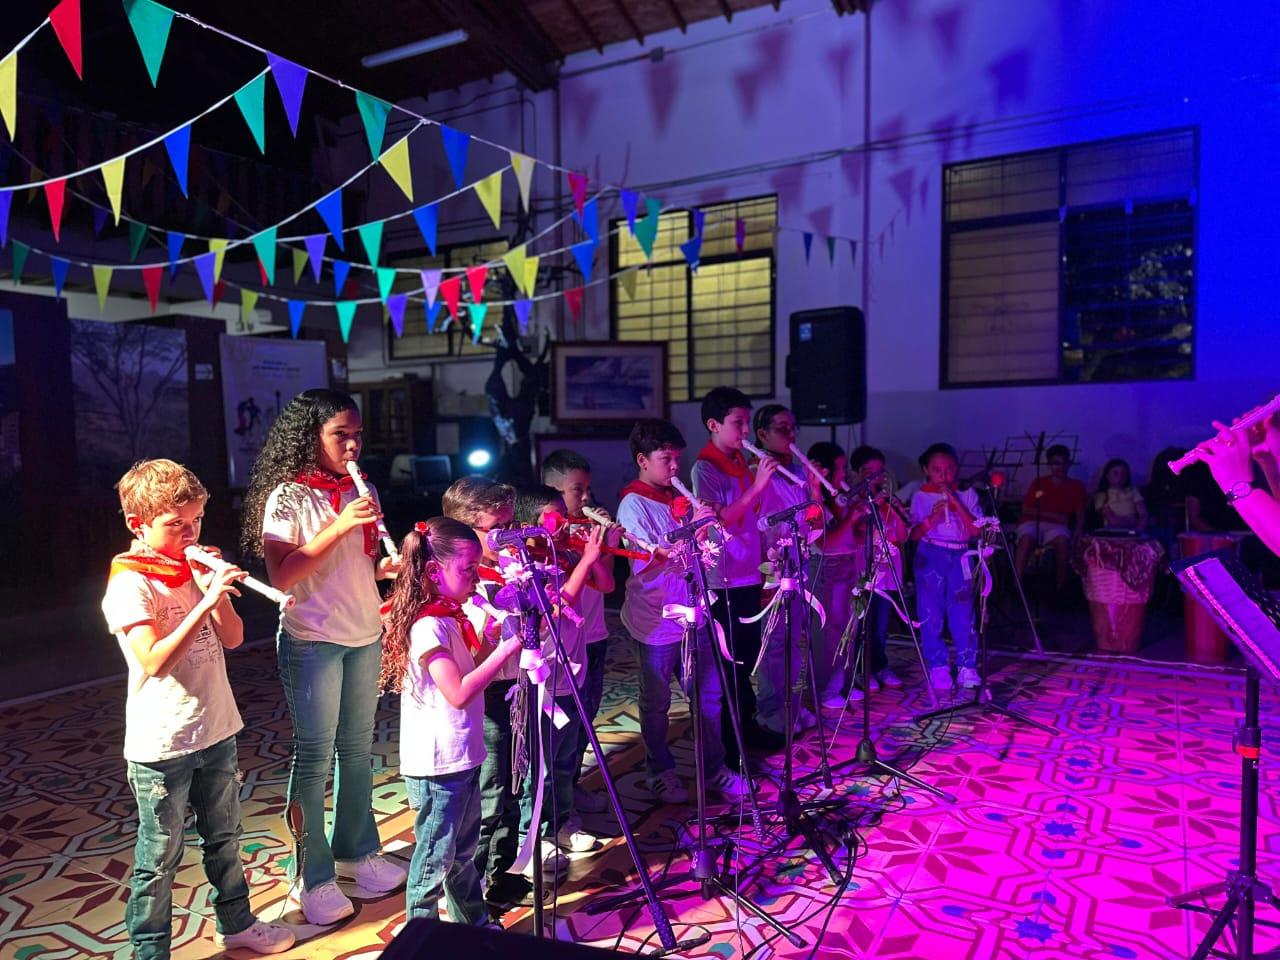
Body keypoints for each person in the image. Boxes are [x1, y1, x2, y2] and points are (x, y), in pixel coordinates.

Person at [104, 459, 295, 958]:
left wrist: (218, 595)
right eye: (176, 524)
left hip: (216, 727)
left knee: (226, 839)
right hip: (162, 741)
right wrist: (202, 600)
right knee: (159, 857)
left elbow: (232, 639)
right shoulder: (131, 582)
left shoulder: (190, 570)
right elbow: (153, 660)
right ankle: (151, 951)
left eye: (196, 521)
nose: (190, 533)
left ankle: (237, 924)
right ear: (137, 525)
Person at [241, 388, 405, 925]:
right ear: (310, 437)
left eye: (357, 434)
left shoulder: (362, 488)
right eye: (341, 434)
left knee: (357, 751)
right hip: (312, 637)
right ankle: (309, 876)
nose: (353, 444)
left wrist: (390, 567)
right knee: (314, 758)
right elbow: (284, 574)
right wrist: (339, 525)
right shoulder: (288, 497)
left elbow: (356, 568)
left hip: (362, 632)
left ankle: (357, 852)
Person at [379, 517, 522, 926]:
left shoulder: (450, 617)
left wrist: (492, 641)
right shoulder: (427, 625)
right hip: (439, 763)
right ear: (432, 572)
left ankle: (472, 925)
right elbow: (457, 692)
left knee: (463, 854)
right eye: (469, 569)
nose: (478, 578)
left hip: (462, 754)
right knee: (434, 859)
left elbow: (465, 675)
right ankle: (421, 937)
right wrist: (510, 646)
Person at [617, 419, 751, 803]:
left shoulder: (678, 497)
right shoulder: (632, 503)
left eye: (677, 459)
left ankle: (714, 769)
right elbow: (645, 561)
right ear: (643, 460)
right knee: (657, 701)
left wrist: (708, 526)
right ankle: (660, 769)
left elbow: (702, 550)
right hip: (656, 619)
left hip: (697, 612)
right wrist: (691, 527)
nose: (675, 468)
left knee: (709, 696)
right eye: (666, 460)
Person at [438, 478, 531, 910]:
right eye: (499, 527)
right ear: (467, 530)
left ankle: (505, 872)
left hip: (518, 686)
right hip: (486, 695)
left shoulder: (512, 566)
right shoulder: (460, 587)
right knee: (490, 792)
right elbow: (468, 655)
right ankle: (469, 890)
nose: (508, 535)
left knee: (515, 782)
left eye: (512, 524)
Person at [511, 485, 607, 856]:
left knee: (568, 757)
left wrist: (588, 554)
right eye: (552, 517)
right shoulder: (524, 565)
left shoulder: (564, 553)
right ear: (527, 524)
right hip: (544, 681)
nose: (562, 522)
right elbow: (551, 611)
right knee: (543, 764)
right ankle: (533, 834)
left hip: (573, 671)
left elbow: (608, 584)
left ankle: (562, 821)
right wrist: (585, 562)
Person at [691, 387, 785, 767]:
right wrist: (760, 484)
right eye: (737, 423)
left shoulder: (742, 463)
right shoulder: (705, 468)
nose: (745, 430)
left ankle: (747, 729)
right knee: (728, 666)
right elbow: (719, 519)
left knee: (747, 658)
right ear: (714, 425)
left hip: (748, 573)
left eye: (747, 422)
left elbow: (753, 517)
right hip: (722, 578)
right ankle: (731, 747)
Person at [541, 449, 617, 818]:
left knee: (586, 718)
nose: (586, 498)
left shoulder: (588, 530)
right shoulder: (544, 538)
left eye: (588, 489)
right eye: (577, 490)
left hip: (595, 633)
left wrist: (605, 547)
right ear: (552, 491)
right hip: (564, 642)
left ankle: (570, 789)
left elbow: (606, 583)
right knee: (561, 728)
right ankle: (554, 807)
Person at [748, 404, 818, 734]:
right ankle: (770, 712)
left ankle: (789, 706)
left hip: (798, 560)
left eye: (793, 428)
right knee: (774, 643)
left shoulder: (799, 471)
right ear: (762, 435)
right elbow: (755, 522)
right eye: (782, 429)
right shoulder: (756, 472)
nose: (790, 436)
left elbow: (809, 517)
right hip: (770, 565)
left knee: (794, 639)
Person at [909, 443, 983, 691]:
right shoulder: (920, 495)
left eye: (949, 469)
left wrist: (956, 503)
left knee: (963, 611)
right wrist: (933, 517)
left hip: (960, 553)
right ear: (926, 470)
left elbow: (976, 529)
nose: (944, 475)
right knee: (930, 612)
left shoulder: (968, 493)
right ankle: (938, 666)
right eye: (937, 470)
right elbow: (914, 533)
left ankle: (966, 665)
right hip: (931, 553)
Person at [847, 446, 909, 694]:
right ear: (856, 474)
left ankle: (880, 665)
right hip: (863, 572)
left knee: (881, 624)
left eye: (878, 472)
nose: (874, 478)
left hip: (887, 573)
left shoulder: (888, 502)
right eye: (867, 472)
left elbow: (902, 536)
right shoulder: (854, 502)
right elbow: (856, 535)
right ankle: (861, 669)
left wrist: (891, 508)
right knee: (862, 623)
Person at [1013, 444, 1087, 592]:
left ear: (1069, 463)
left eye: (1063, 462)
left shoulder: (1076, 486)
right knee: (1026, 539)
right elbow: (1027, 508)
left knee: (1063, 541)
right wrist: (1055, 515)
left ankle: (1061, 586)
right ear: (1050, 465)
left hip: (1058, 527)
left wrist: (1079, 528)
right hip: (1033, 522)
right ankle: (1017, 585)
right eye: (1056, 463)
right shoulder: (1039, 483)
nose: (1060, 467)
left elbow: (1080, 511)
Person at [1094, 459, 1148, 532]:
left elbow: (1143, 514)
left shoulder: (1133, 491)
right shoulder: (1102, 496)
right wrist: (1131, 521)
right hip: (1112, 531)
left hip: (1133, 531)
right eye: (1115, 473)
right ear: (1107, 475)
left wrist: (1140, 527)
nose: (1120, 477)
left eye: (1124, 474)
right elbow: (1113, 520)